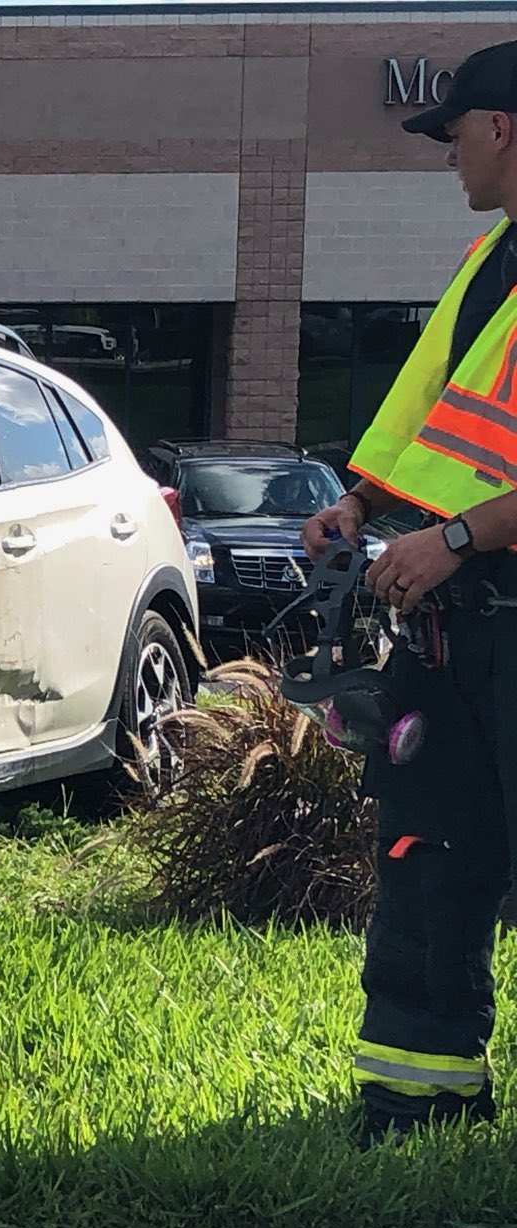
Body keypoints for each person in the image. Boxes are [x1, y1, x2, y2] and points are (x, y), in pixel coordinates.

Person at [300, 39, 517, 1140]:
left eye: (449, 137)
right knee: (427, 857)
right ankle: (414, 1102)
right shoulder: (491, 268)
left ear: (501, 128)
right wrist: (361, 512)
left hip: (491, 603)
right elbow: (441, 431)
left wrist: (456, 541)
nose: (444, 161)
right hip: (457, 629)